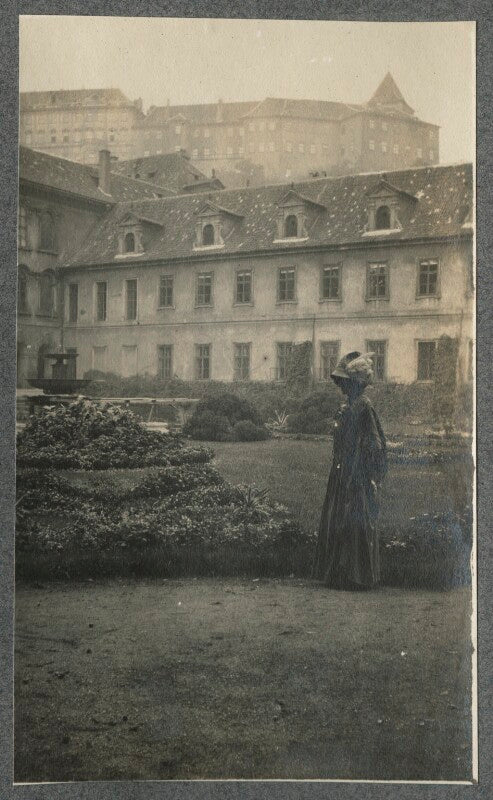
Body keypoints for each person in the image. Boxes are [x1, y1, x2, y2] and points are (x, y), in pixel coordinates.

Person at [312, 351, 387, 590]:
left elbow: (375, 441)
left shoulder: (364, 405)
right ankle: (341, 574)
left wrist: (363, 465)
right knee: (341, 517)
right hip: (344, 468)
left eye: (345, 383)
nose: (341, 387)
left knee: (355, 517)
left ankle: (358, 576)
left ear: (355, 383)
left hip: (357, 472)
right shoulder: (351, 405)